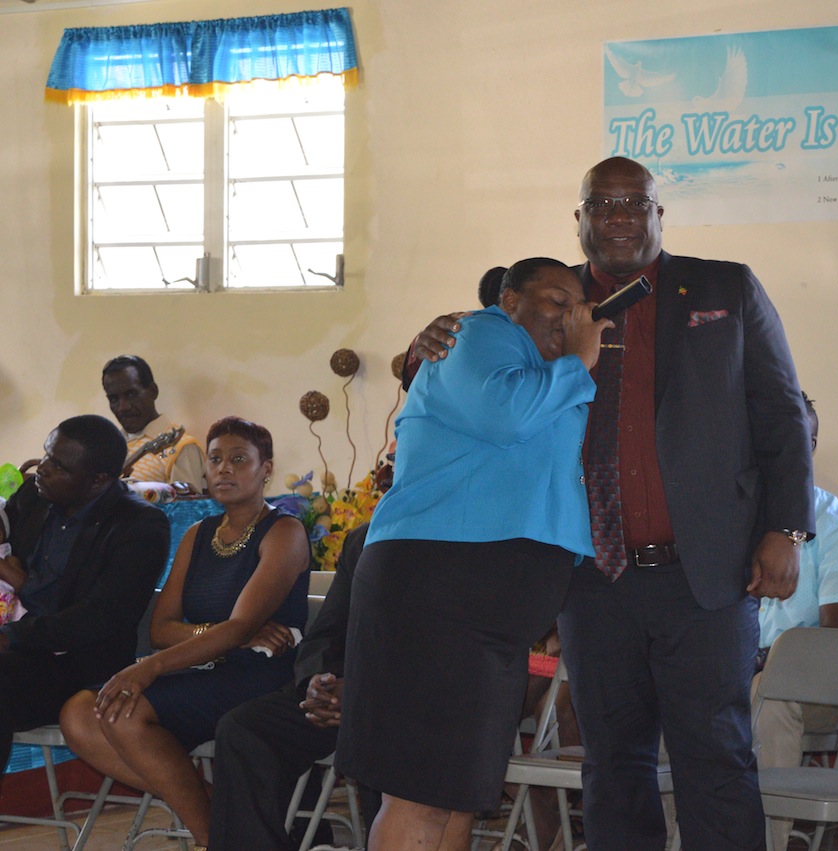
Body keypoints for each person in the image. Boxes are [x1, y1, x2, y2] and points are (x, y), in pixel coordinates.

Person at [407, 157, 814, 851]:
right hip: (593, 575)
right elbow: (480, 377)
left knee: (716, 756)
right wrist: (426, 343)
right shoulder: (547, 300)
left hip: (705, 573)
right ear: (580, 218)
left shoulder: (725, 287)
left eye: (635, 203)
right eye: (603, 203)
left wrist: (786, 528)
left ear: (659, 214)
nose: (619, 216)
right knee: (612, 762)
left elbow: (782, 414)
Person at [336, 257, 611, 851]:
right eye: (555, 301)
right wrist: (578, 360)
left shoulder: (548, 374)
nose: (570, 317)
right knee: (418, 793)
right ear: (509, 300)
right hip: (437, 590)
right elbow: (506, 416)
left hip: (482, 614)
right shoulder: (477, 335)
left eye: (579, 307)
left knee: (458, 791)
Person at [59, 416, 311, 849]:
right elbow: (161, 628)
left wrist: (152, 668)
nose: (224, 468)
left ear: (266, 468)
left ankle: (210, 836)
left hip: (259, 677)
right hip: (203, 668)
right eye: (215, 459)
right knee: (78, 715)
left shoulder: (284, 531)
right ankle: (219, 815)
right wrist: (219, 634)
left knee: (125, 713)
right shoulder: (198, 534)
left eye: (238, 459)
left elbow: (240, 628)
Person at [0, 415, 169, 775]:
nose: (42, 469)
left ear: (97, 480)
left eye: (58, 466)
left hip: (78, 666)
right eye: (46, 455)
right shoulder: (34, 496)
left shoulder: (139, 525)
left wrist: (11, 636)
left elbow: (100, 616)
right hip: (17, 647)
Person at [209, 522, 377, 851]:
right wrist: (319, 683)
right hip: (343, 695)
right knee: (244, 729)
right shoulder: (365, 539)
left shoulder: (461, 537)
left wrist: (362, 691)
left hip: (404, 700)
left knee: (382, 741)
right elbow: (327, 631)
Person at [751, 391, 838, 851]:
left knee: (768, 693)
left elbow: (835, 638)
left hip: (813, 688)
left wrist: (766, 661)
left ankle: (768, 844)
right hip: (729, 674)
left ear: (811, 446)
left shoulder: (836, 523)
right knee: (672, 694)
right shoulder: (724, 514)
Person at [101, 355, 206, 492]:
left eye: (131, 394)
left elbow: (186, 505)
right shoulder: (108, 448)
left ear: (153, 391)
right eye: (114, 399)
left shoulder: (180, 447)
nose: (122, 407)